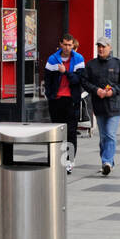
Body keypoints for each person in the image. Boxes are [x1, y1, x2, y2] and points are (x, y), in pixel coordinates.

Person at [83, 37, 120, 175]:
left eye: (103, 46)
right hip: (99, 106)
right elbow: (85, 82)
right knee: (103, 137)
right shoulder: (91, 65)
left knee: (110, 134)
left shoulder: (118, 64)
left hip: (114, 106)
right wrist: (96, 90)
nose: (101, 49)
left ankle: (107, 162)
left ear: (110, 47)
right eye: (99, 46)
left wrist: (113, 91)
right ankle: (108, 162)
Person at [43, 32, 85, 174]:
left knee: (71, 132)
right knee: (56, 132)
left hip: (71, 100)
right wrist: (50, 96)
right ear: (60, 44)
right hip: (56, 100)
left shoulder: (78, 59)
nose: (67, 48)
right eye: (65, 45)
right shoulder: (52, 60)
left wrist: (66, 72)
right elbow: (47, 80)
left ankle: (69, 161)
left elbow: (79, 80)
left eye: (70, 45)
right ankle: (57, 160)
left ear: (73, 45)